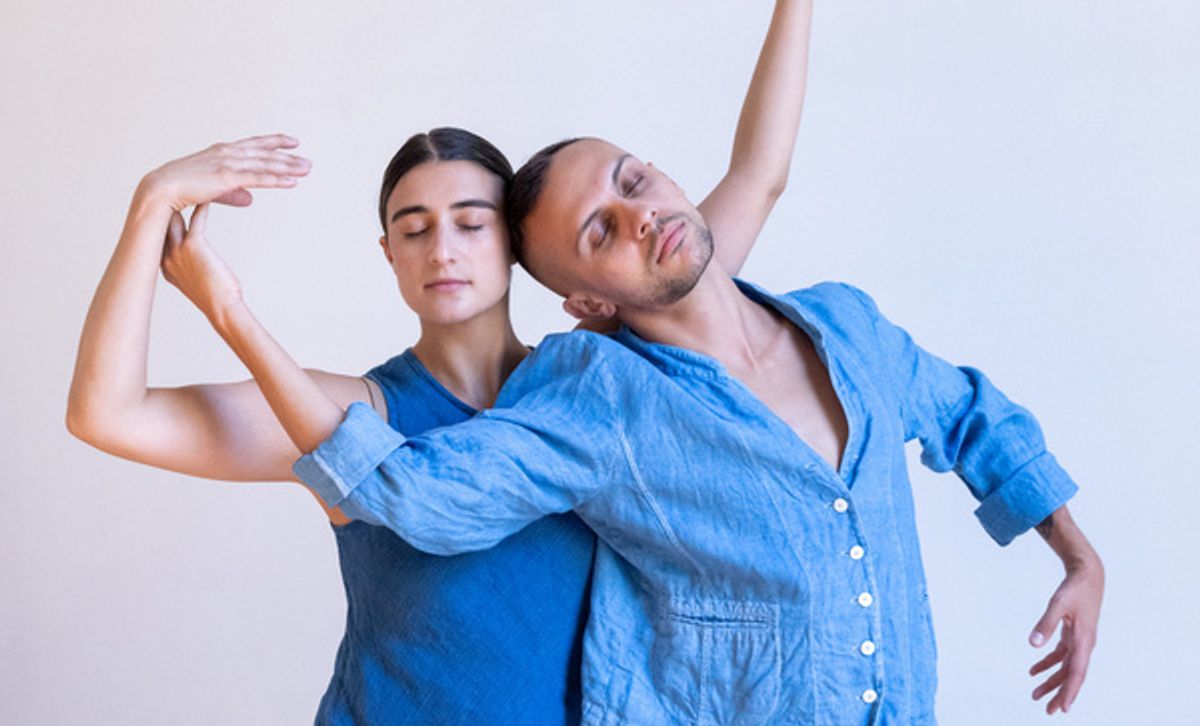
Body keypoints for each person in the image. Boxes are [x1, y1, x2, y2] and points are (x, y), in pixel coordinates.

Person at [65, 1, 815, 722]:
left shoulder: (605, 384)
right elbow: (108, 415)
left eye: (471, 223)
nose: (443, 250)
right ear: (388, 253)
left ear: (517, 246)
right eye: (414, 229)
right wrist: (152, 204)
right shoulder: (348, 414)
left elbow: (759, 176)